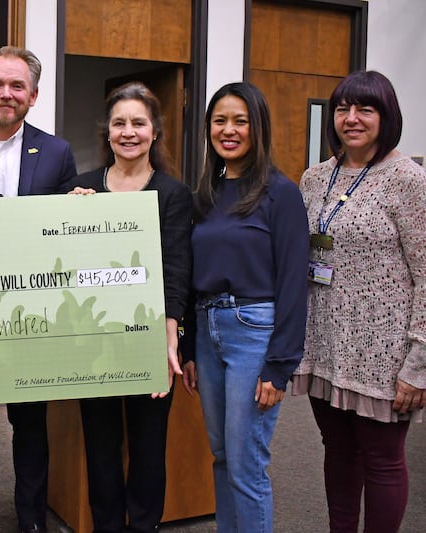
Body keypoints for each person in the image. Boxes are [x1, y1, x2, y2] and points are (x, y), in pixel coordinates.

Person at [292, 70, 426, 533]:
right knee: (338, 450)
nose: (351, 118)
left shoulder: (409, 180)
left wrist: (419, 363)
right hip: (326, 344)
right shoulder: (315, 178)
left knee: (383, 460)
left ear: (387, 117)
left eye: (365, 109)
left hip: (384, 354)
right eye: (343, 108)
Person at [180, 82, 309, 532]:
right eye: (219, 121)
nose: (228, 130)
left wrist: (279, 365)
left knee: (246, 465)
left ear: (258, 127)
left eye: (240, 121)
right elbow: (192, 276)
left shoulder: (281, 193)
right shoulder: (205, 194)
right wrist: (190, 348)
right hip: (207, 329)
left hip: (253, 332)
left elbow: (293, 282)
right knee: (221, 456)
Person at [66, 82, 192, 532]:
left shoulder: (173, 194)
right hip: (95, 340)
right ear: (107, 131)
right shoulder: (81, 188)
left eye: (139, 123)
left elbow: (176, 269)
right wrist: (69, 215)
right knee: (100, 448)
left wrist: (169, 340)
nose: (128, 132)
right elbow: (65, 266)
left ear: (155, 131)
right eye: (119, 123)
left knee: (147, 448)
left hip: (150, 338)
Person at [0, 45, 77, 533]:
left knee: (30, 422)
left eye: (18, 86)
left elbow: (64, 236)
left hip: (30, 313)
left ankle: (31, 519)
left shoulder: (56, 152)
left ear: (33, 96)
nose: (6, 93)